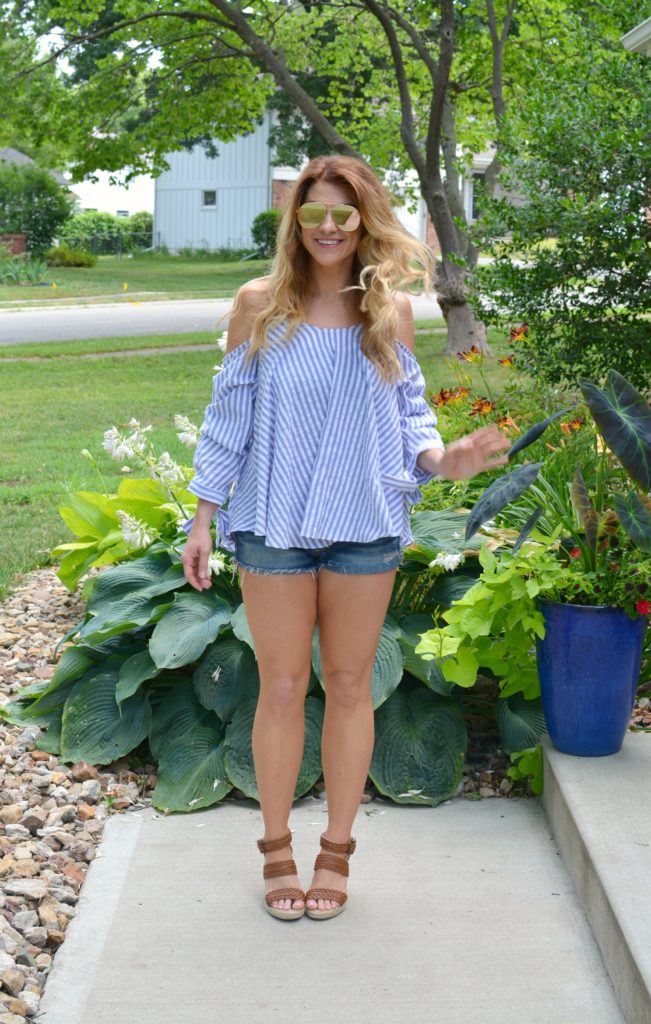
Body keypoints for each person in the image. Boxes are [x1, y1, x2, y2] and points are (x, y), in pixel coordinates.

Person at [180, 155, 509, 922]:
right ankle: (274, 849)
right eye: (313, 213)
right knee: (284, 686)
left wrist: (445, 460)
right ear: (294, 220)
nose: (328, 228)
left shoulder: (389, 312)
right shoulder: (258, 305)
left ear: (364, 221)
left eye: (343, 214)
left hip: (365, 524)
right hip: (273, 526)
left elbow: (409, 425)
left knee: (353, 685)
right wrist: (202, 516)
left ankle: (334, 851)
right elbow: (226, 421)